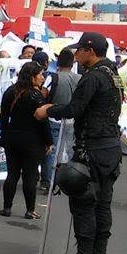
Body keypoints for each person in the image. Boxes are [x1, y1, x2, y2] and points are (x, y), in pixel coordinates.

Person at [34, 33, 124, 254]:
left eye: (79, 50)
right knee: (103, 202)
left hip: (93, 147)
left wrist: (48, 109)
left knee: (84, 201)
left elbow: (75, 108)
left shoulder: (94, 76)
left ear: (90, 51)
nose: (76, 55)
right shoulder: (112, 74)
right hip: (110, 146)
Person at [0, 62, 52, 219]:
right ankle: (30, 210)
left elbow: (3, 116)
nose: (42, 78)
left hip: (12, 138)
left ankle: (6, 208)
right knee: (30, 175)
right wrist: (48, 141)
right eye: (40, 75)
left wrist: (4, 135)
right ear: (32, 77)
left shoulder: (10, 91)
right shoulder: (36, 96)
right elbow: (43, 120)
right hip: (32, 141)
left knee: (12, 174)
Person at [40, 47, 81, 193]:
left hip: (53, 118)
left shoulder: (53, 77)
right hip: (72, 119)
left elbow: (43, 95)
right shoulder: (79, 78)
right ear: (73, 62)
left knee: (51, 151)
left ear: (58, 61)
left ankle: (50, 182)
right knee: (69, 150)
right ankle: (67, 180)